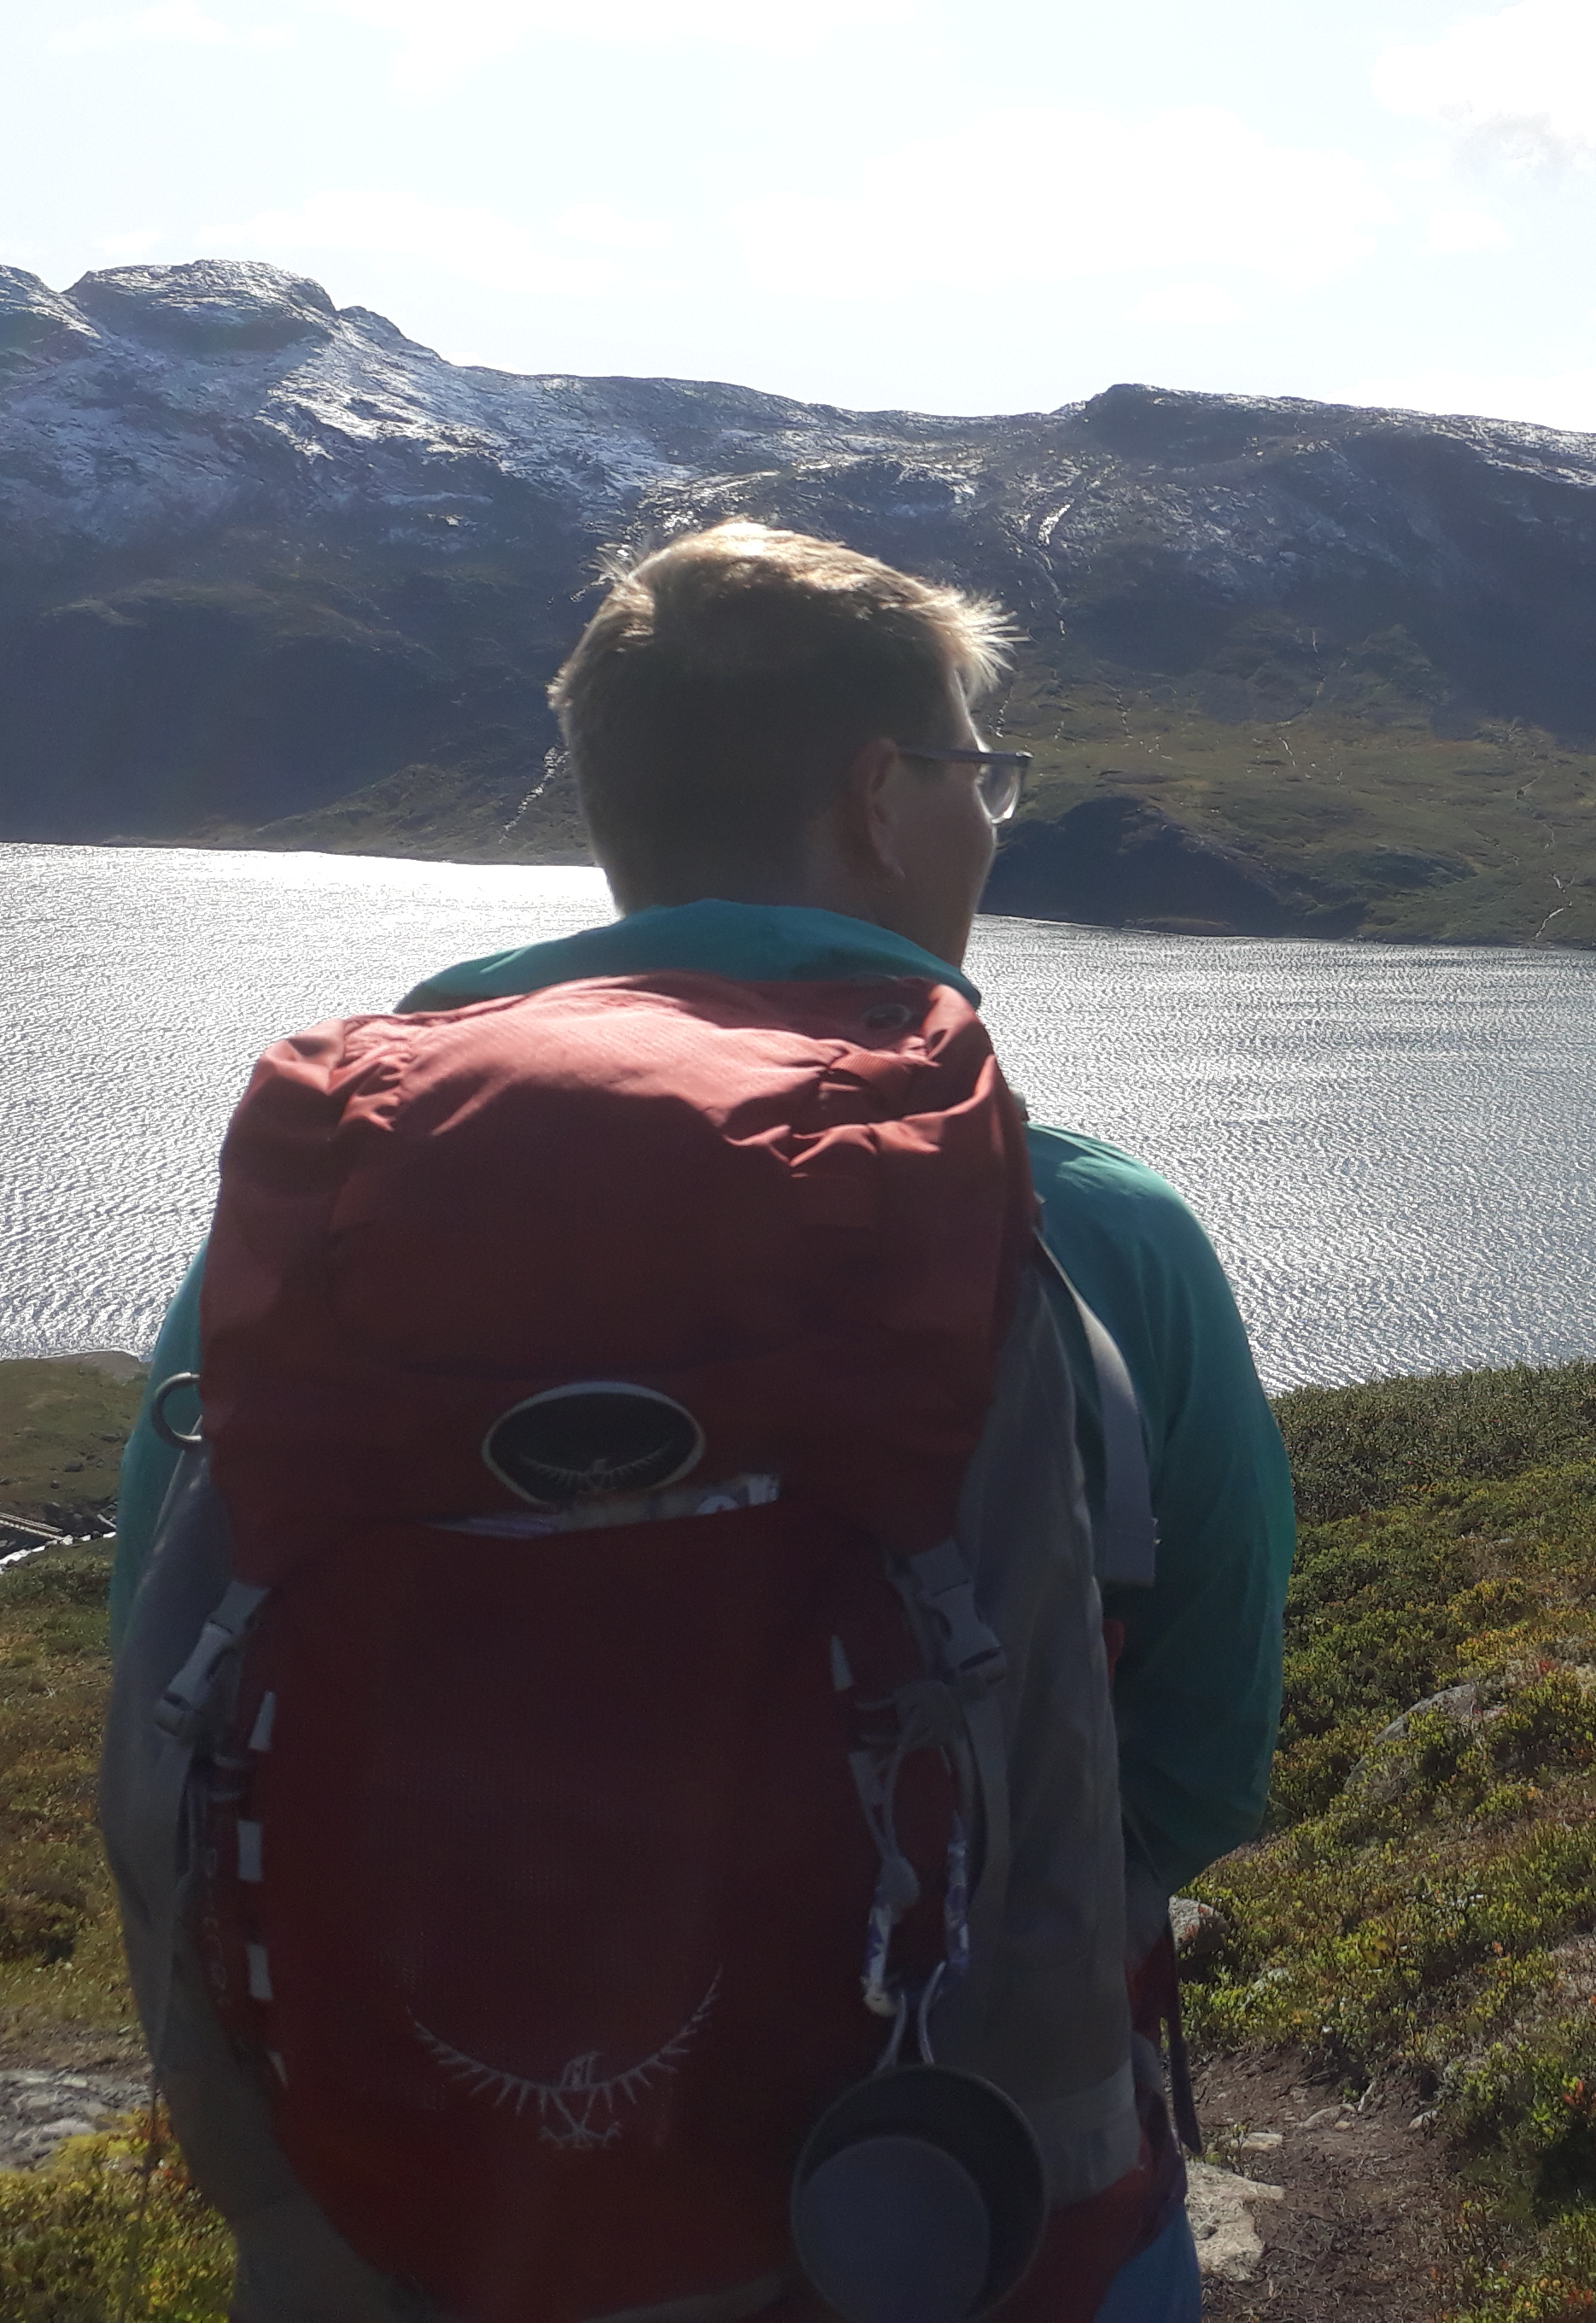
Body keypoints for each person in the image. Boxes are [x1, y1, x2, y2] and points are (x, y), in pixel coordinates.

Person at [107, 519, 1296, 2323]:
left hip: (417, 2206)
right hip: (960, 2201)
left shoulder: (330, 1223)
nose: (990, 821)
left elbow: (168, 1672)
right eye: (982, 775)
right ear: (883, 794)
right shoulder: (1081, 1228)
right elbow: (1202, 1752)